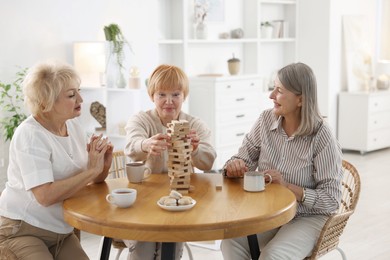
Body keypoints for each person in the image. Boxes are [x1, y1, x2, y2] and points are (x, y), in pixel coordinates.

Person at [221, 62, 343, 260]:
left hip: (308, 216)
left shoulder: (322, 136)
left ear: (300, 100)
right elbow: (243, 157)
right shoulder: (265, 120)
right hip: (270, 212)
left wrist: (288, 187)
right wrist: (234, 166)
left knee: (273, 255)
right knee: (231, 240)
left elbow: (331, 200)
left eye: (279, 91)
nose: (271, 96)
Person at [0, 60, 113, 259]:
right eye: (71, 95)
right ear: (46, 102)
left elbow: (91, 180)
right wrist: (91, 171)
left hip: (61, 232)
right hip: (22, 229)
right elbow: (44, 196)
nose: (80, 98)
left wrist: (102, 165)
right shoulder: (31, 134)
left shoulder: (74, 127)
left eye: (78, 91)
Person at [124, 64, 216, 260]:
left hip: (179, 201)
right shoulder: (141, 120)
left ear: (184, 96)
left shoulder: (195, 124)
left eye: (175, 94)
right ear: (151, 96)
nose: (169, 101)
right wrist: (145, 144)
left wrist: (196, 149)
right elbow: (131, 146)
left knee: (171, 246)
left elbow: (208, 162)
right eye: (161, 95)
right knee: (145, 246)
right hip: (144, 201)